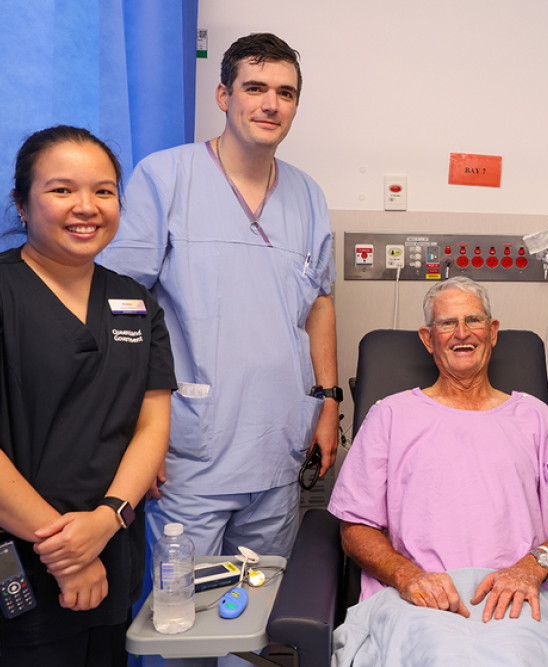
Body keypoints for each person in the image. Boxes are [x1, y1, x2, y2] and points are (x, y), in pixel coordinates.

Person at [99, 33, 339, 567]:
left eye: (286, 92)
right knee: (179, 620)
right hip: (190, 448)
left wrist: (328, 400)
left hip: (277, 446)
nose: (270, 103)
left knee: (254, 618)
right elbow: (120, 302)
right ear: (223, 95)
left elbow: (320, 301)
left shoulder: (309, 196)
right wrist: (135, 429)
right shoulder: (166, 177)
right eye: (254, 87)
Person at [328, 277, 548, 665]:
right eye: (447, 323)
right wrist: (408, 577)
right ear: (427, 337)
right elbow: (355, 528)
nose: (462, 333)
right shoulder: (390, 417)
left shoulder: (537, 420)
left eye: (473, 320)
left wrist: (530, 568)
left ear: (493, 331)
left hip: (518, 598)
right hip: (422, 603)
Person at [0, 125, 175, 665]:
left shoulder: (136, 304)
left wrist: (106, 521)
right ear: (22, 204)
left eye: (103, 191)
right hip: (22, 557)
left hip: (112, 547)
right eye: (61, 189)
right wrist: (70, 556)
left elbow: (152, 427)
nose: (87, 206)